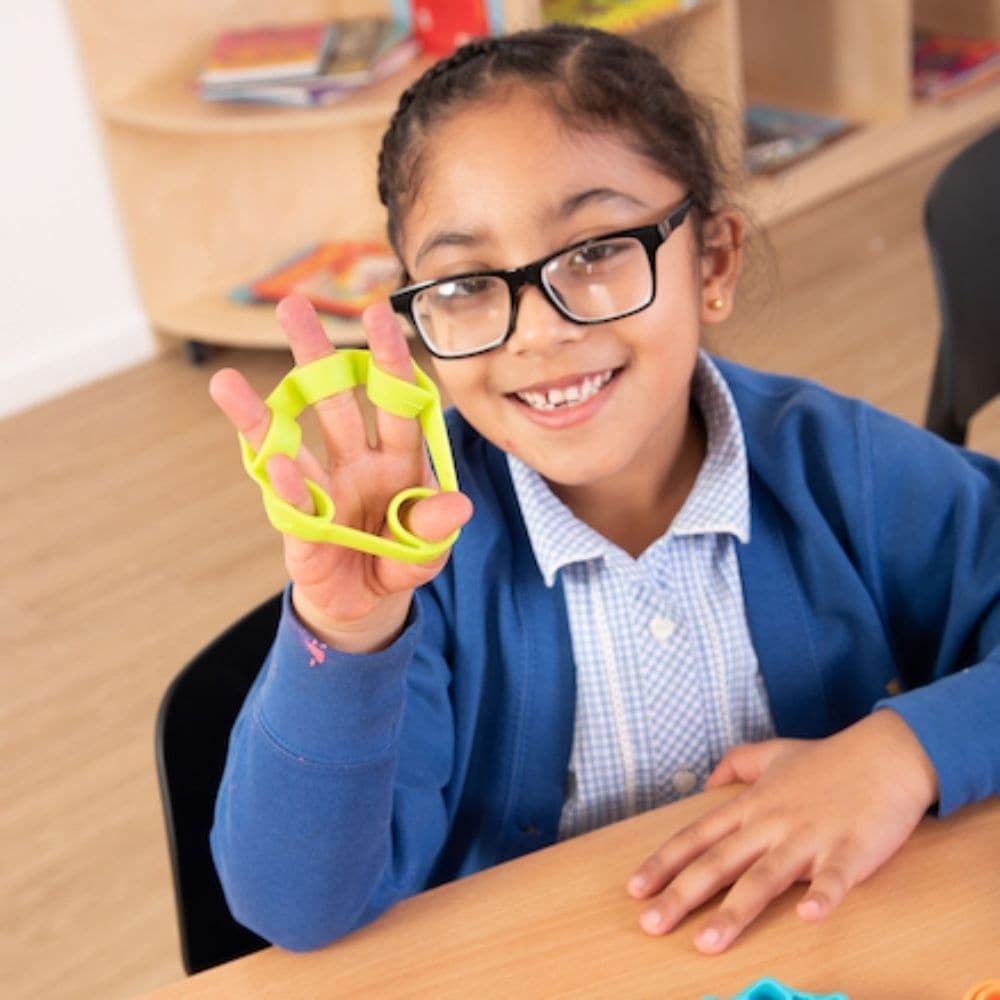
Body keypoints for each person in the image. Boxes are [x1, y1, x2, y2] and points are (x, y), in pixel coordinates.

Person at [208, 24, 1000, 956]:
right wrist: (345, 635)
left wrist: (900, 752)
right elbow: (294, 906)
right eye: (464, 284)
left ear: (712, 263)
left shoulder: (845, 467)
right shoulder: (421, 568)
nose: (537, 332)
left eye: (593, 251)